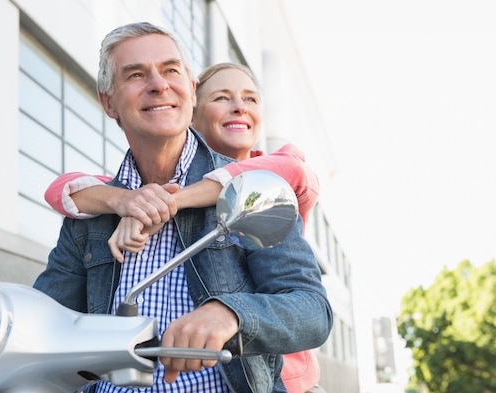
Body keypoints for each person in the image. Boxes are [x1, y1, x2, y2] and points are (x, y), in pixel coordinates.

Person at [0, 22, 332, 393]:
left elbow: (312, 309)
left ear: (191, 91)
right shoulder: (94, 215)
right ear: (109, 102)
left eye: (170, 70)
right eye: (136, 75)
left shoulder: (251, 190)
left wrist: (231, 313)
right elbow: (37, 313)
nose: (159, 85)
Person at [44, 62, 324, 393]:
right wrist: (125, 200)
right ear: (192, 110)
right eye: (222, 97)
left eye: (251, 99)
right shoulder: (133, 195)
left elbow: (276, 173)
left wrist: (168, 201)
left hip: (282, 374)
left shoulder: (270, 183)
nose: (239, 106)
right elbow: (65, 187)